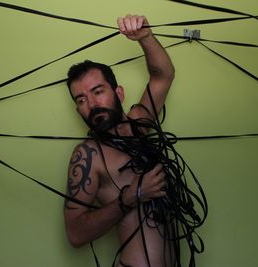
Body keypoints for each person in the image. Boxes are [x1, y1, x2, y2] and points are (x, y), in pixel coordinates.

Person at [64, 14, 175, 267]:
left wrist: (146, 38)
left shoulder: (140, 123)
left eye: (98, 92)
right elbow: (75, 233)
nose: (91, 105)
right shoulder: (88, 155)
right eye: (81, 100)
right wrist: (132, 195)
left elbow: (163, 76)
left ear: (119, 93)